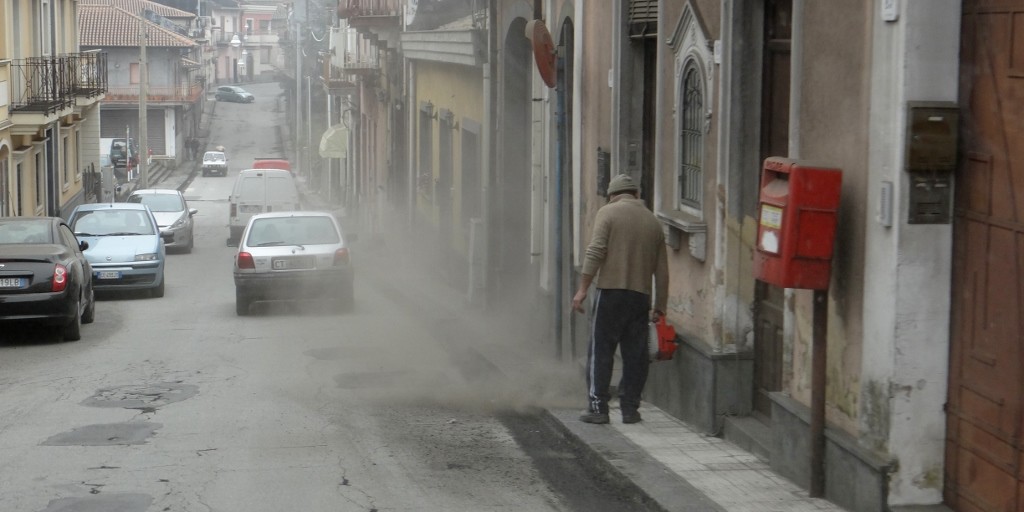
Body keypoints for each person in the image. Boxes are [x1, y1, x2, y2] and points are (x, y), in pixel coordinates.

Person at [572, 173, 669, 425]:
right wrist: (660, 306)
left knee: (601, 351)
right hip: (640, 297)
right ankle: (630, 409)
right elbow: (662, 271)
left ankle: (598, 408)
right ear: (636, 194)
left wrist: (582, 289)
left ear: (612, 195)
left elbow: (595, 251)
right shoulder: (653, 221)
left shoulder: (607, 213)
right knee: (636, 355)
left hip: (610, 294)